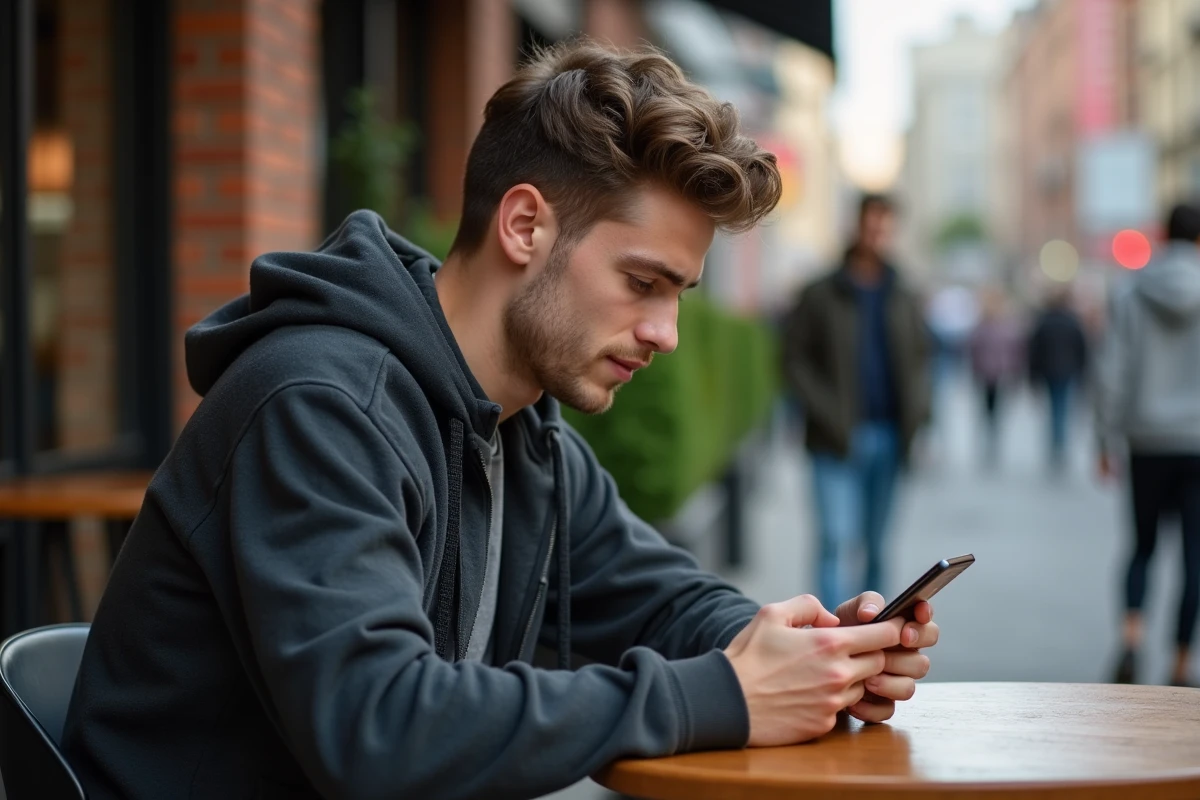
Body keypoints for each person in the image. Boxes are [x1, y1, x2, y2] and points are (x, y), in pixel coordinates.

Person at [62, 41, 940, 800]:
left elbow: (657, 596)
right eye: (642, 282)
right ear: (525, 224)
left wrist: (812, 654)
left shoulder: (522, 430)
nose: (666, 333)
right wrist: (720, 695)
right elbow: (380, 729)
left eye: (679, 293)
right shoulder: (319, 406)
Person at [781, 194, 932, 609]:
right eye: (871, 225)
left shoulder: (903, 293)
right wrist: (824, 411)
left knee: (878, 545)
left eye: (885, 227)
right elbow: (793, 360)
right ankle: (829, 635)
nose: (877, 235)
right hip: (834, 439)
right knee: (833, 539)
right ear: (857, 226)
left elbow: (921, 359)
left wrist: (919, 416)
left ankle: (873, 632)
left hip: (889, 436)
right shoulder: (821, 293)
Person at [1094, 202, 1200, 687]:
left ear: (1163, 235)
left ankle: (1132, 642)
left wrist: (1104, 438)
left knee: (1142, 547)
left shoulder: (1132, 291)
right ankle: (1181, 662)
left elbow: (1110, 372)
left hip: (1146, 442)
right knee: (1195, 556)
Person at [1027, 288, 1088, 470]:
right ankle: (1059, 442)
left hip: (1049, 371)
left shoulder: (1043, 321)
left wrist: (1033, 374)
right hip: (1067, 371)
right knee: (1061, 406)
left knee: (1055, 406)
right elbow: (1082, 348)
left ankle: (1056, 441)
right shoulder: (1072, 321)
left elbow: (1034, 350)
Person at [967, 288, 1025, 467]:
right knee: (988, 410)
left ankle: (992, 440)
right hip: (990, 374)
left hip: (996, 374)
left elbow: (1015, 351)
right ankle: (990, 440)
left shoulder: (998, 326)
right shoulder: (992, 326)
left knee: (992, 410)